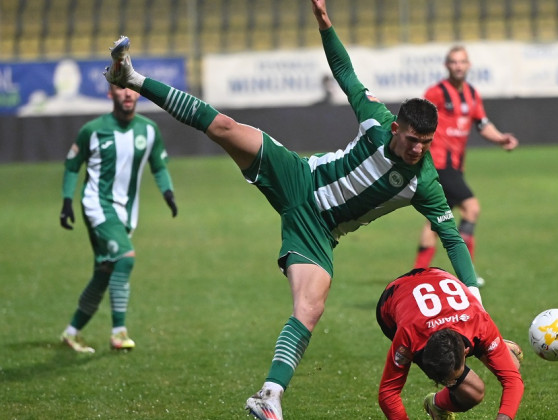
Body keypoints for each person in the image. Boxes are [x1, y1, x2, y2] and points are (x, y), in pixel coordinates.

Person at [103, 0, 479, 417]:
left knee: (310, 307)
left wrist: (474, 300)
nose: (418, 149)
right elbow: (345, 73)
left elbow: (451, 237)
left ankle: (269, 396)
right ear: (397, 129)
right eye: (412, 140)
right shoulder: (375, 119)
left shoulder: (425, 181)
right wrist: (325, 22)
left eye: (426, 143)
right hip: (300, 177)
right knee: (224, 127)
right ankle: (131, 77)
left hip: (319, 231)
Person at [59, 83, 178, 353]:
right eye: (120, 88)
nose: (127, 93)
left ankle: (71, 332)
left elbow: (158, 166)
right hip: (97, 205)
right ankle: (118, 333)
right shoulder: (93, 130)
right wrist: (67, 201)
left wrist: (168, 192)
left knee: (105, 271)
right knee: (125, 258)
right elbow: (72, 165)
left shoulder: (148, 130)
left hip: (126, 212)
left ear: (138, 93)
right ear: (110, 93)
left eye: (131, 88)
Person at [413, 46, 519, 286]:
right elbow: (418, 119)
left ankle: (417, 275)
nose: (458, 66)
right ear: (446, 66)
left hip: (455, 167)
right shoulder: (436, 92)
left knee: (435, 220)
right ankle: (466, 274)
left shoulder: (472, 93)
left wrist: (501, 138)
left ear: (468, 65)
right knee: (471, 208)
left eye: (462, 62)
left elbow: (482, 124)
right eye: (453, 62)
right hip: (439, 164)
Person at [376, 267, 523, 419]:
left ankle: (436, 405)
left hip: (437, 276)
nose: (448, 384)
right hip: (390, 302)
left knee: (509, 368)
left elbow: (512, 381)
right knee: (473, 391)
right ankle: (496, 348)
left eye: (450, 380)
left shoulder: (481, 322)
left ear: (466, 352)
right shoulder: (408, 338)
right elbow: (388, 393)